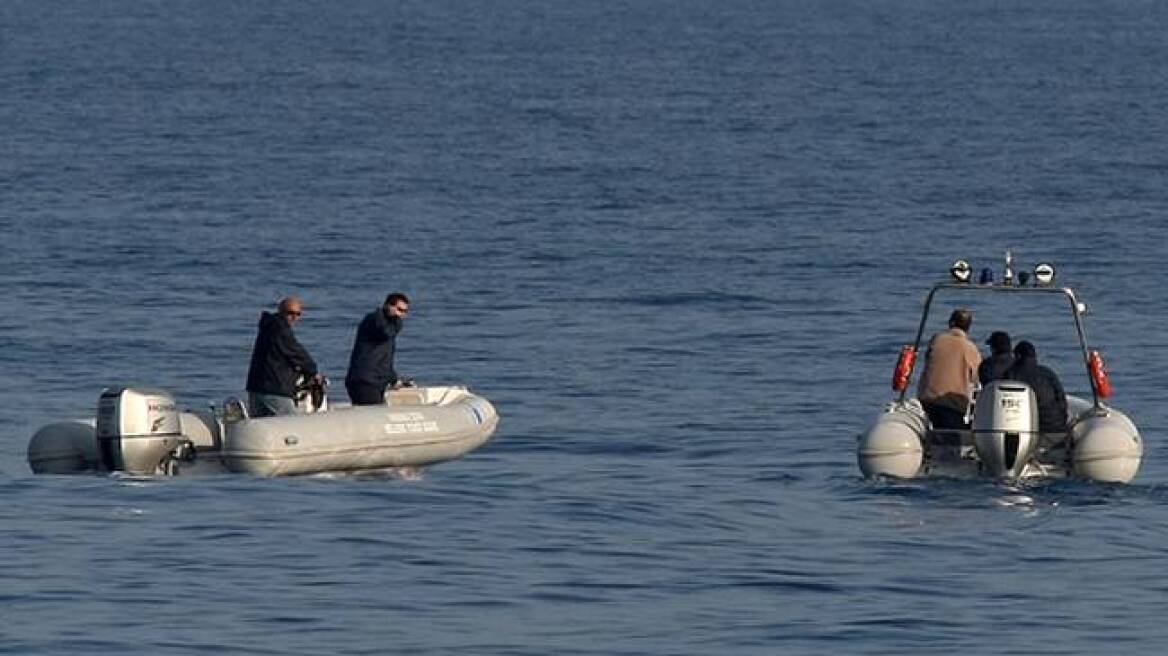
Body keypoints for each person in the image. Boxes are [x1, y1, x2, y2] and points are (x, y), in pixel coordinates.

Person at [244, 296, 322, 417]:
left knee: (262, 424)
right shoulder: (280, 329)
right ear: (281, 311)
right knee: (291, 426)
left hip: (256, 388)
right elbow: (296, 353)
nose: (294, 317)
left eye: (298, 314)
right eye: (290, 313)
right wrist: (312, 370)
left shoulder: (268, 327)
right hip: (274, 389)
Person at [917, 308, 982, 429]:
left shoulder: (936, 340)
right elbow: (977, 378)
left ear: (951, 323)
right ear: (968, 327)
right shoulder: (971, 349)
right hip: (953, 405)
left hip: (927, 400)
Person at [345, 292, 411, 405]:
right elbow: (385, 333)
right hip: (364, 381)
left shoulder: (390, 325)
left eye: (405, 312)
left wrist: (393, 379)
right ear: (388, 306)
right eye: (399, 310)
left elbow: (384, 359)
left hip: (376, 382)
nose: (401, 315)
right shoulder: (375, 319)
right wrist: (397, 322)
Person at [1005, 340, 1069, 434]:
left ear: (1018, 356)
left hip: (1027, 428)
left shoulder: (1011, 375)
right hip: (1055, 425)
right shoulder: (1047, 373)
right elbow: (1062, 400)